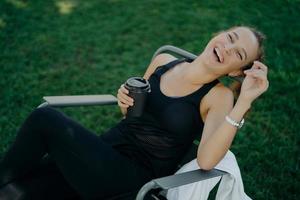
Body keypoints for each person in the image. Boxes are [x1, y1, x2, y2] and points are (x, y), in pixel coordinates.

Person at [0, 26, 269, 200]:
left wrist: (243, 101)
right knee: (14, 191)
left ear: (236, 71)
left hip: (132, 180)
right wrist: (124, 100)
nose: (227, 48)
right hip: (105, 152)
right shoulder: (164, 62)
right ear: (219, 34)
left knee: (46, 118)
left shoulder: (219, 96)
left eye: (238, 53)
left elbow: (208, 161)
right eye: (230, 38)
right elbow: (132, 117)